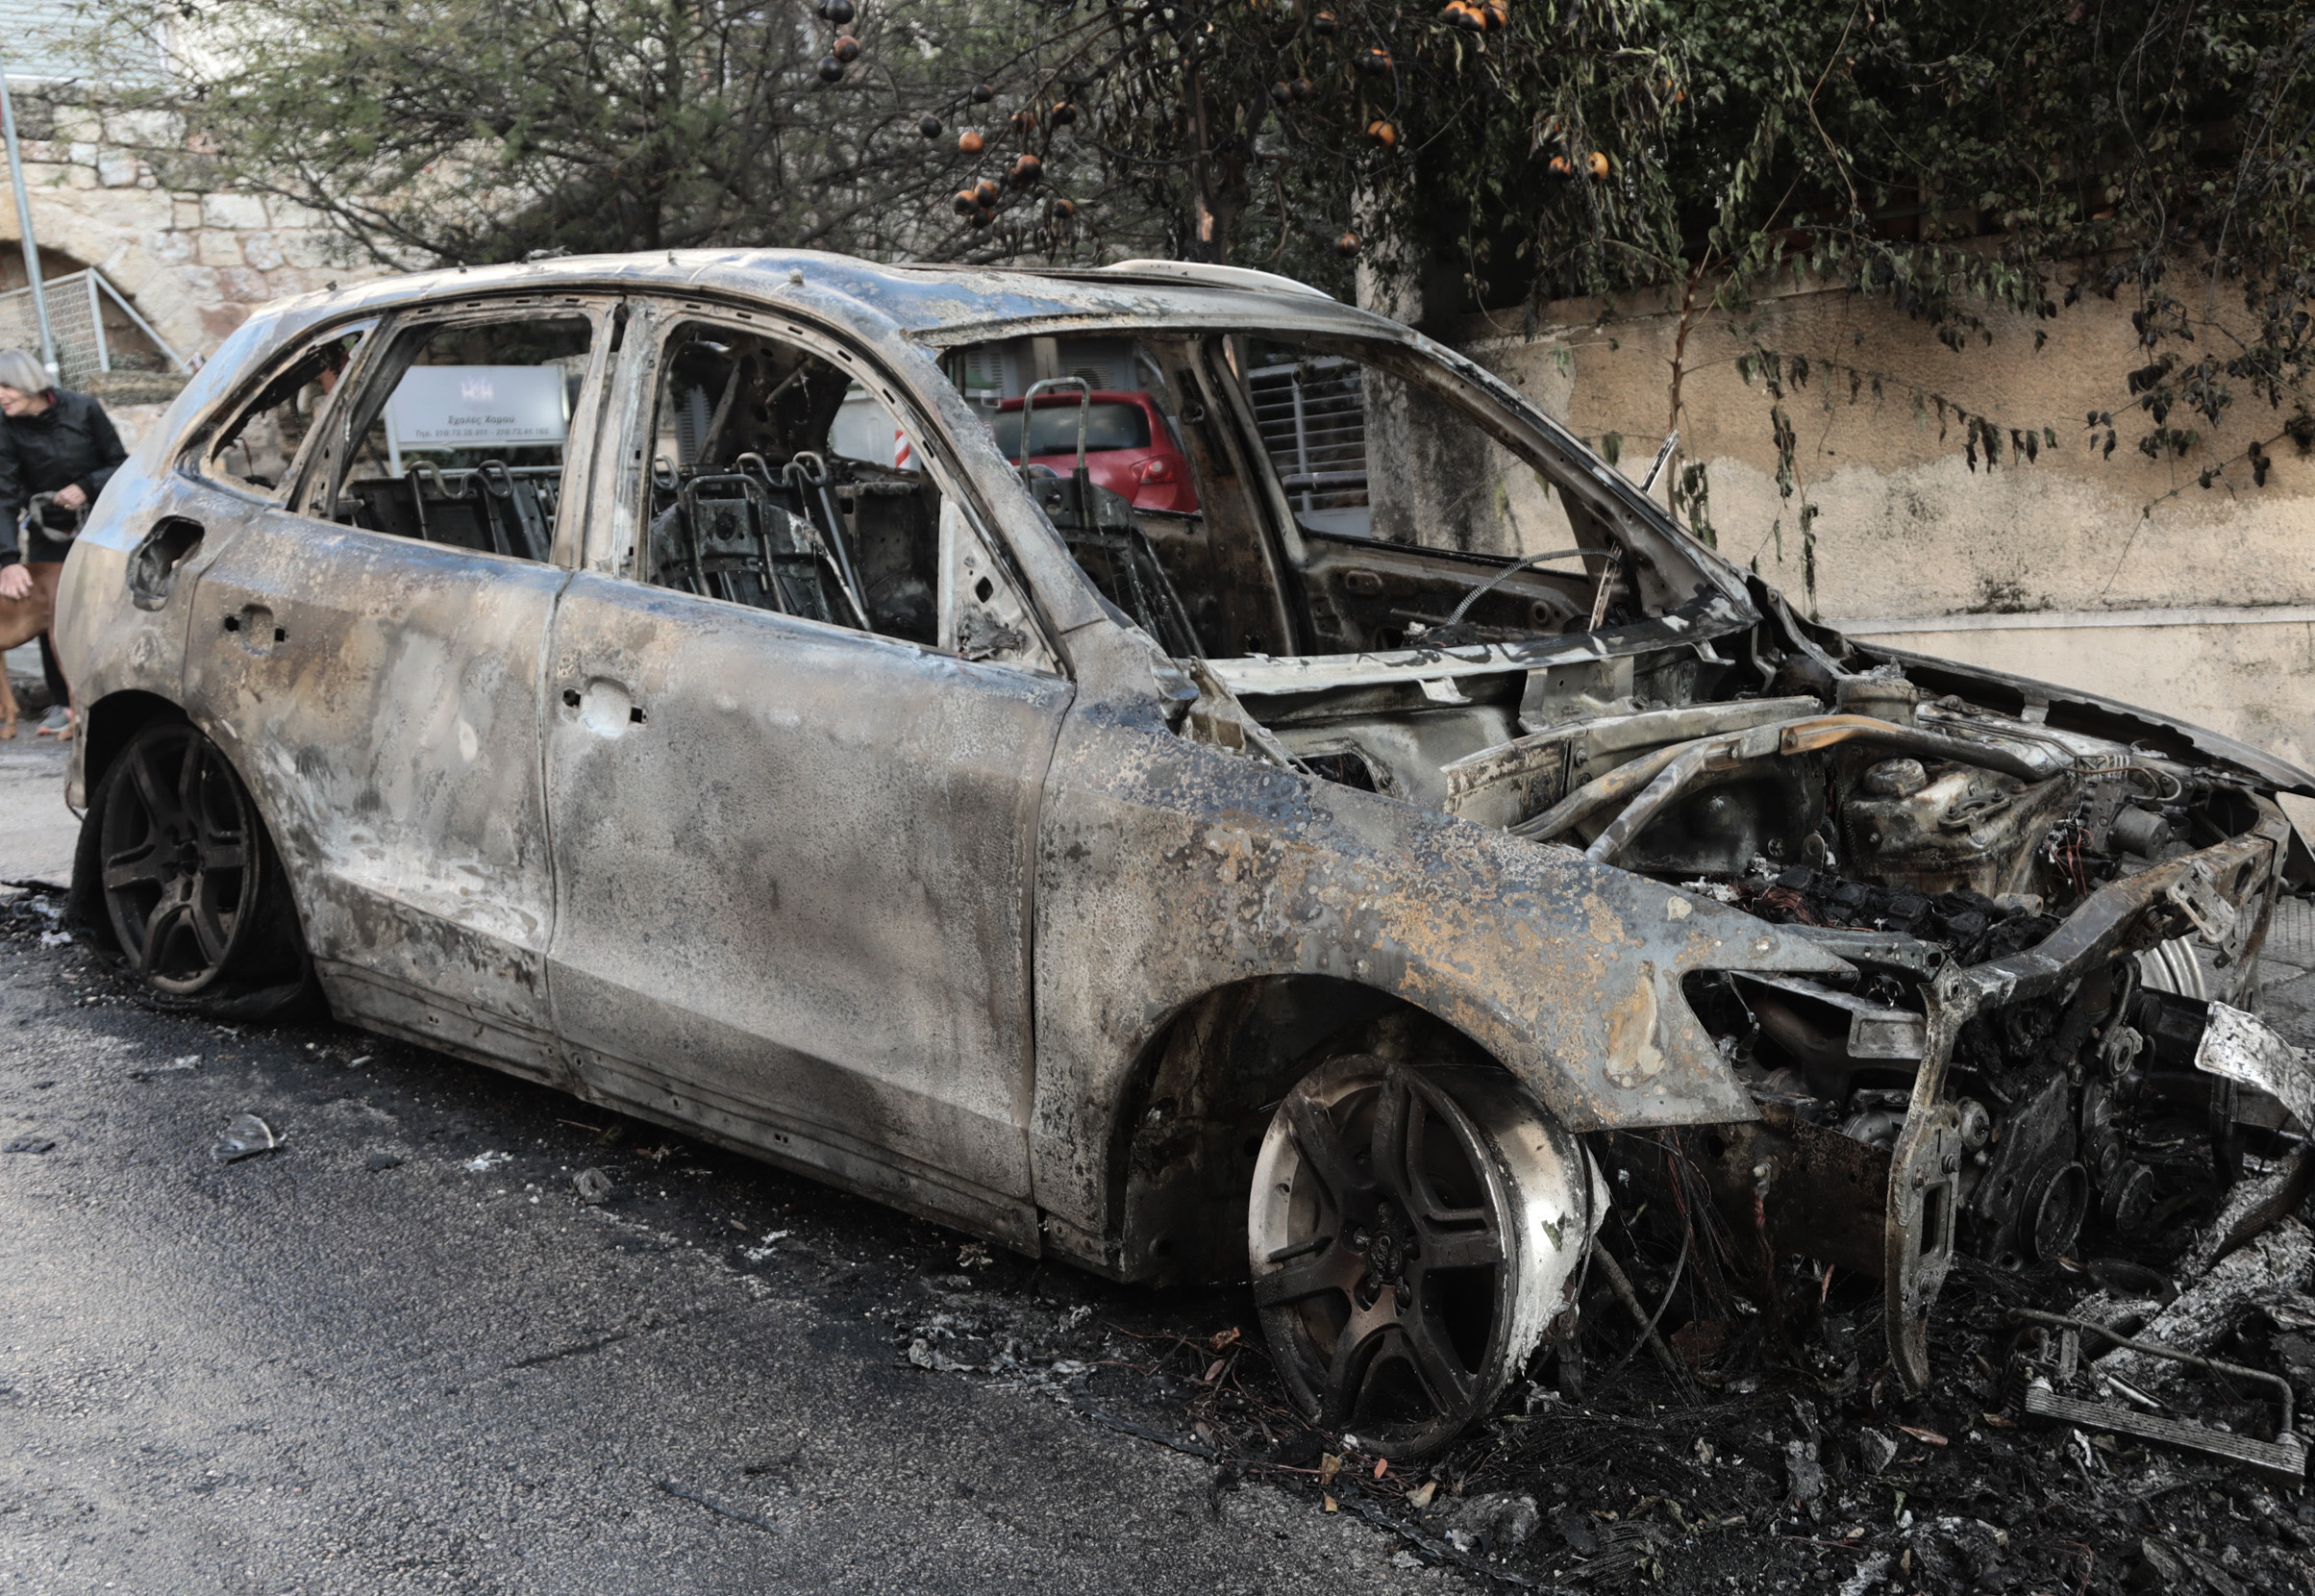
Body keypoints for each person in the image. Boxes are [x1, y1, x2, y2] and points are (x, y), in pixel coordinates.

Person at [0, 348, 127, 737]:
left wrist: (86, 487)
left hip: (99, 525)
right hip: (48, 530)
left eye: (5, 388)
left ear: (29, 385)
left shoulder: (83, 409)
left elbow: (120, 464)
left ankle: (112, 695)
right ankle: (64, 703)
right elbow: (2, 495)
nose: (0, 397)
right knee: (51, 617)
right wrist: (7, 560)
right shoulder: (4, 426)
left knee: (105, 612)